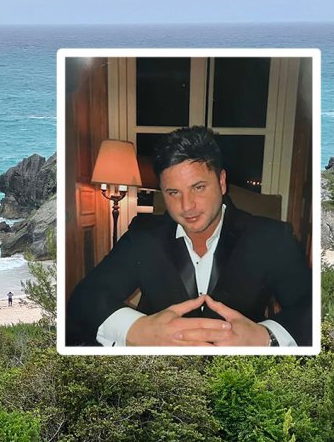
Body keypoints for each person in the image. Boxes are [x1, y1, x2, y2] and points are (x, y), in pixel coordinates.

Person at [66, 127, 311, 347]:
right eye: (173, 192)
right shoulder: (143, 235)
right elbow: (86, 297)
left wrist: (265, 337)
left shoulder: (272, 238)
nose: (187, 206)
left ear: (222, 182)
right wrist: (137, 330)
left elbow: (310, 308)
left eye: (198, 187)